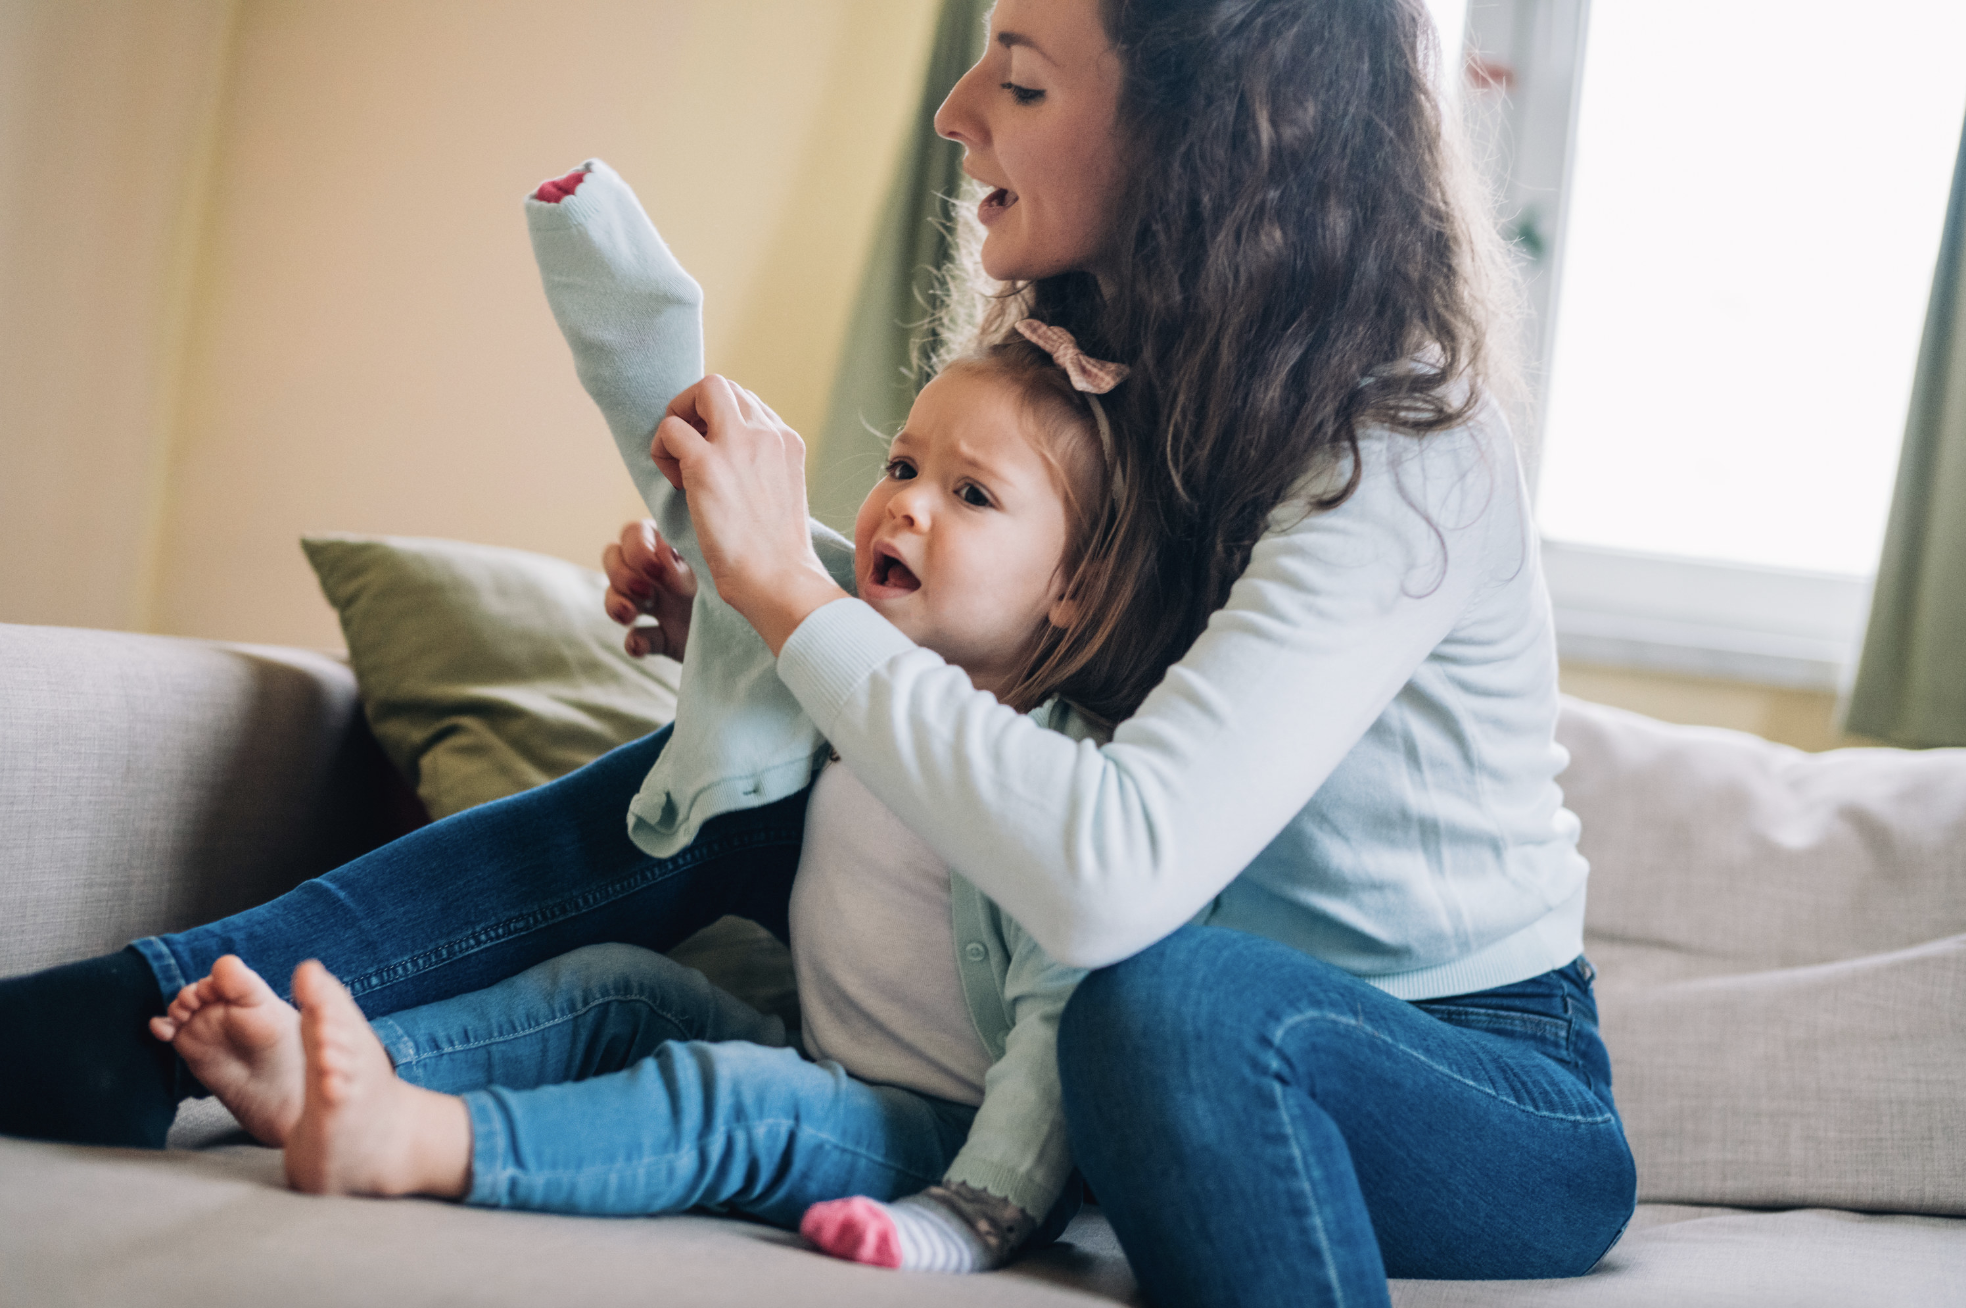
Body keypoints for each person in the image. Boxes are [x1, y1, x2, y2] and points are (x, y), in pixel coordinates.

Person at [0, 3, 1634, 1304]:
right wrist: (761, 599)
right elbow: (1015, 649)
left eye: (1020, 80)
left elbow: (1118, 871)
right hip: (1126, 1000)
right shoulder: (1134, 381)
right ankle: (144, 1015)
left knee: (1159, 1003)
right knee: (752, 764)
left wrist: (799, 599)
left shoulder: (1396, 445)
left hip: (1464, 1077)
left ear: (1205, 139)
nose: (956, 116)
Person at [148, 158, 1170, 1273]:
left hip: (926, 1136)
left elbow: (1055, 1032)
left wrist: (977, 1210)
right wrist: (698, 626)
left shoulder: (1055, 781)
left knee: (725, 1099)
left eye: (971, 495)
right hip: (811, 1051)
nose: (909, 503)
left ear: (1074, 582)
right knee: (615, 990)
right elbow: (769, 712)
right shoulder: (859, 676)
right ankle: (344, 1071)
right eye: (903, 463)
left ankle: (430, 1141)